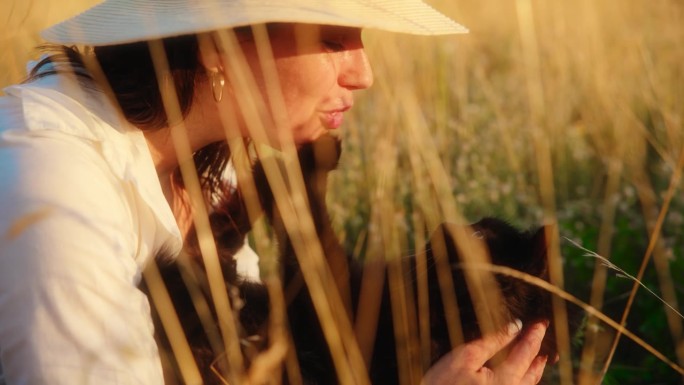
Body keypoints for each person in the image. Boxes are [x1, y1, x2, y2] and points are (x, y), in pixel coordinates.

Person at [0, 1, 550, 384]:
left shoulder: (213, 172)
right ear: (221, 48)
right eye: (334, 39)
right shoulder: (54, 193)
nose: (365, 74)